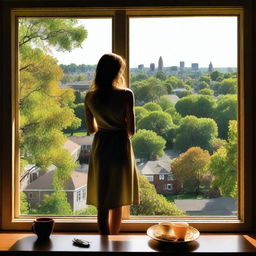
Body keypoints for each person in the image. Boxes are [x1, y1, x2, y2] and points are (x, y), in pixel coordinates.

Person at [84, 53, 139, 235]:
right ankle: (114, 240)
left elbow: (91, 129)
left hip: (101, 147)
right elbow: (131, 130)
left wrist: (103, 122)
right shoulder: (126, 94)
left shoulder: (90, 97)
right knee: (117, 199)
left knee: (102, 200)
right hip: (120, 146)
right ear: (118, 72)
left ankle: (104, 242)